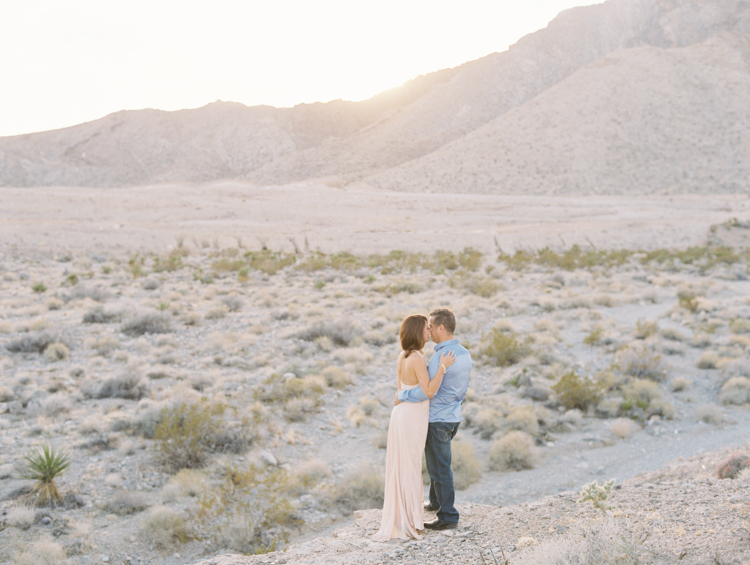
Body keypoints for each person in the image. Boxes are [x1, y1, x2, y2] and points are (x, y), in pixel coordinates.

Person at [372, 314, 456, 542]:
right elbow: (429, 391)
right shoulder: (417, 358)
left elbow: (401, 388)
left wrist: (402, 395)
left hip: (401, 414)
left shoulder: (403, 355)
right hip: (412, 417)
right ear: (418, 333)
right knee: (409, 466)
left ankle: (404, 517)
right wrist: (442, 368)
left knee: (402, 465)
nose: (430, 332)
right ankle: (410, 522)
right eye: (426, 329)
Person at [395, 308, 472, 530]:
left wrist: (402, 394)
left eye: (430, 326)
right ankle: (436, 502)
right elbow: (462, 388)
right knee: (437, 463)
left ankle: (448, 516)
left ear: (440, 328)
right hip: (453, 417)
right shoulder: (465, 353)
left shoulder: (440, 357)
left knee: (439, 467)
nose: (427, 330)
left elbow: (426, 391)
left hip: (437, 419)